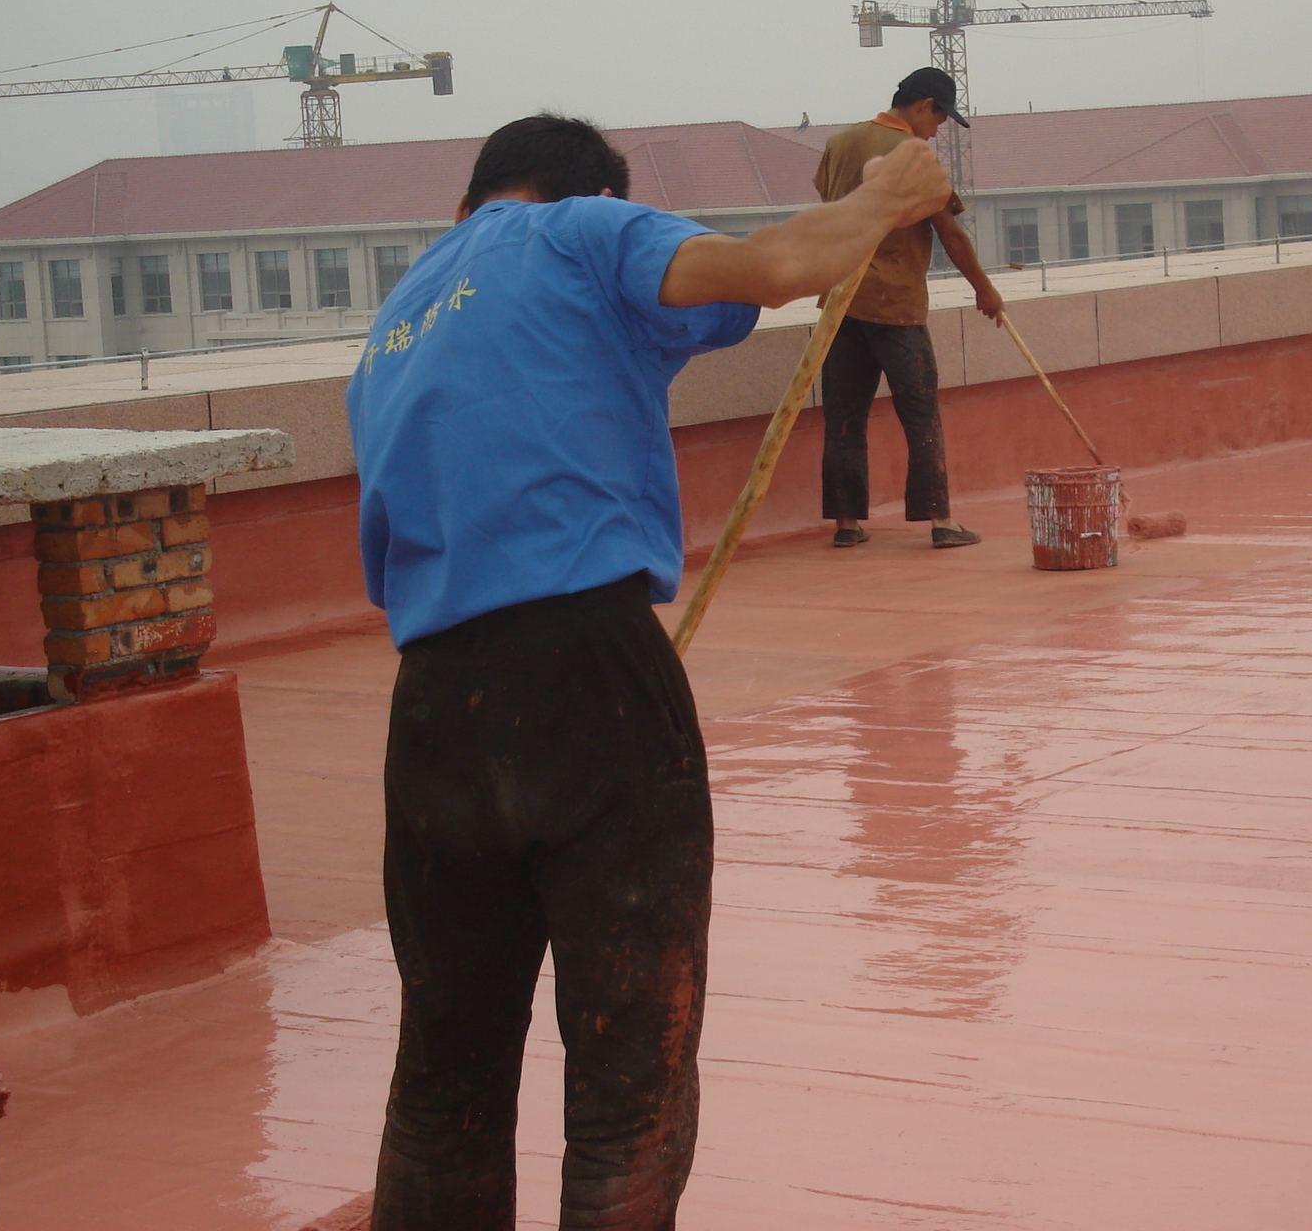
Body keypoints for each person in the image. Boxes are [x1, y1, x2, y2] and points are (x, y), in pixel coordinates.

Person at [345, 112, 952, 1230]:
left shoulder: (400, 312)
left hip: (432, 708)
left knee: (443, 1082)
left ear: (465, 206)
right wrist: (889, 194)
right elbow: (776, 268)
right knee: (630, 1085)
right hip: (586, 674)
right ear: (588, 194)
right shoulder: (581, 233)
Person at [815, 65, 1004, 549]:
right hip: (894, 302)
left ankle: (846, 524)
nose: (937, 130)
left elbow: (827, 197)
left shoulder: (841, 142)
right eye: (939, 119)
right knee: (920, 412)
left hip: (840, 299)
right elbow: (950, 233)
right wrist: (984, 288)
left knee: (843, 416)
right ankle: (940, 520)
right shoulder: (913, 156)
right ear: (923, 106)